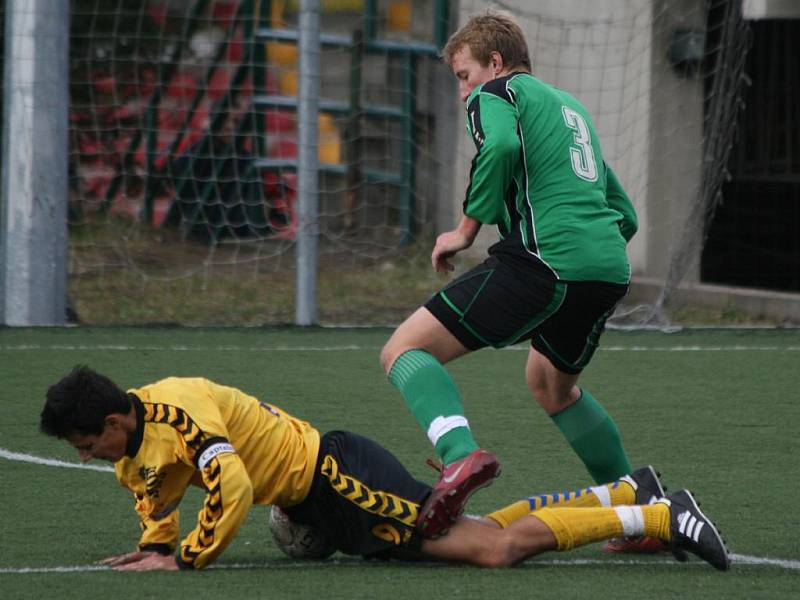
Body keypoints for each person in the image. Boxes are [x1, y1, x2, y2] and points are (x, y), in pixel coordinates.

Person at [38, 366, 730, 571]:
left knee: (492, 550)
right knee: (483, 529)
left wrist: (185, 560)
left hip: (340, 477)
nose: (84, 454)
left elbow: (235, 484)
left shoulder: (179, 408)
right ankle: (621, 490)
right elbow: (155, 491)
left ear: (115, 422)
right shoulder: (137, 448)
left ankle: (664, 516)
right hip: (328, 500)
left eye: (84, 442)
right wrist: (155, 544)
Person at [379, 9, 641, 546]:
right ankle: (637, 511)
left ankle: (458, 456)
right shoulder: (570, 108)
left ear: (494, 64)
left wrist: (463, 230)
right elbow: (622, 209)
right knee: (552, 386)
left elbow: (498, 148)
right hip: (607, 268)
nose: (463, 93)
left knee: (404, 350)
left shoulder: (495, 95)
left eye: (463, 76)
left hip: (545, 264)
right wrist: (591, 250)